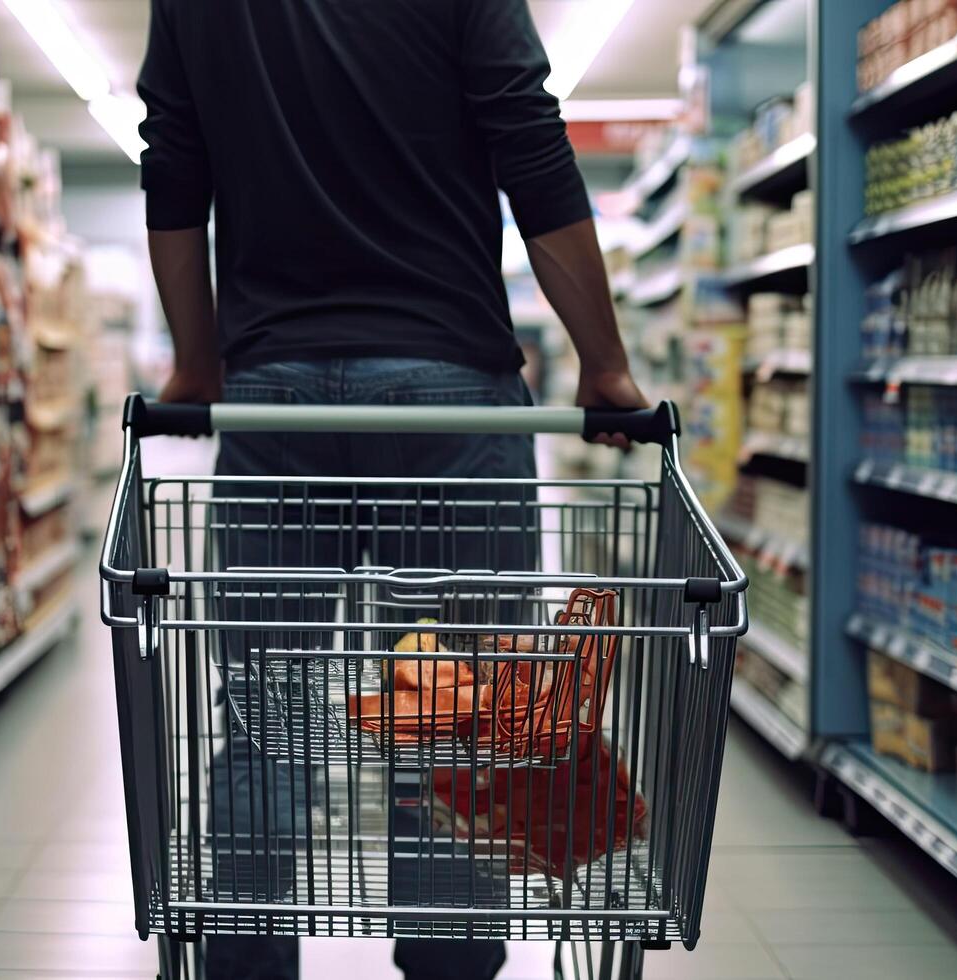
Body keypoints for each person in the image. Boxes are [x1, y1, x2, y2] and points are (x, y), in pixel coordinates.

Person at [138, 1, 646, 978]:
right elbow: (527, 139)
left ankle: (246, 964)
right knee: (454, 708)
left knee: (265, 713)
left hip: (273, 394)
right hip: (449, 392)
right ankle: (448, 964)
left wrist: (198, 363)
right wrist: (604, 361)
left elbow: (174, 159)